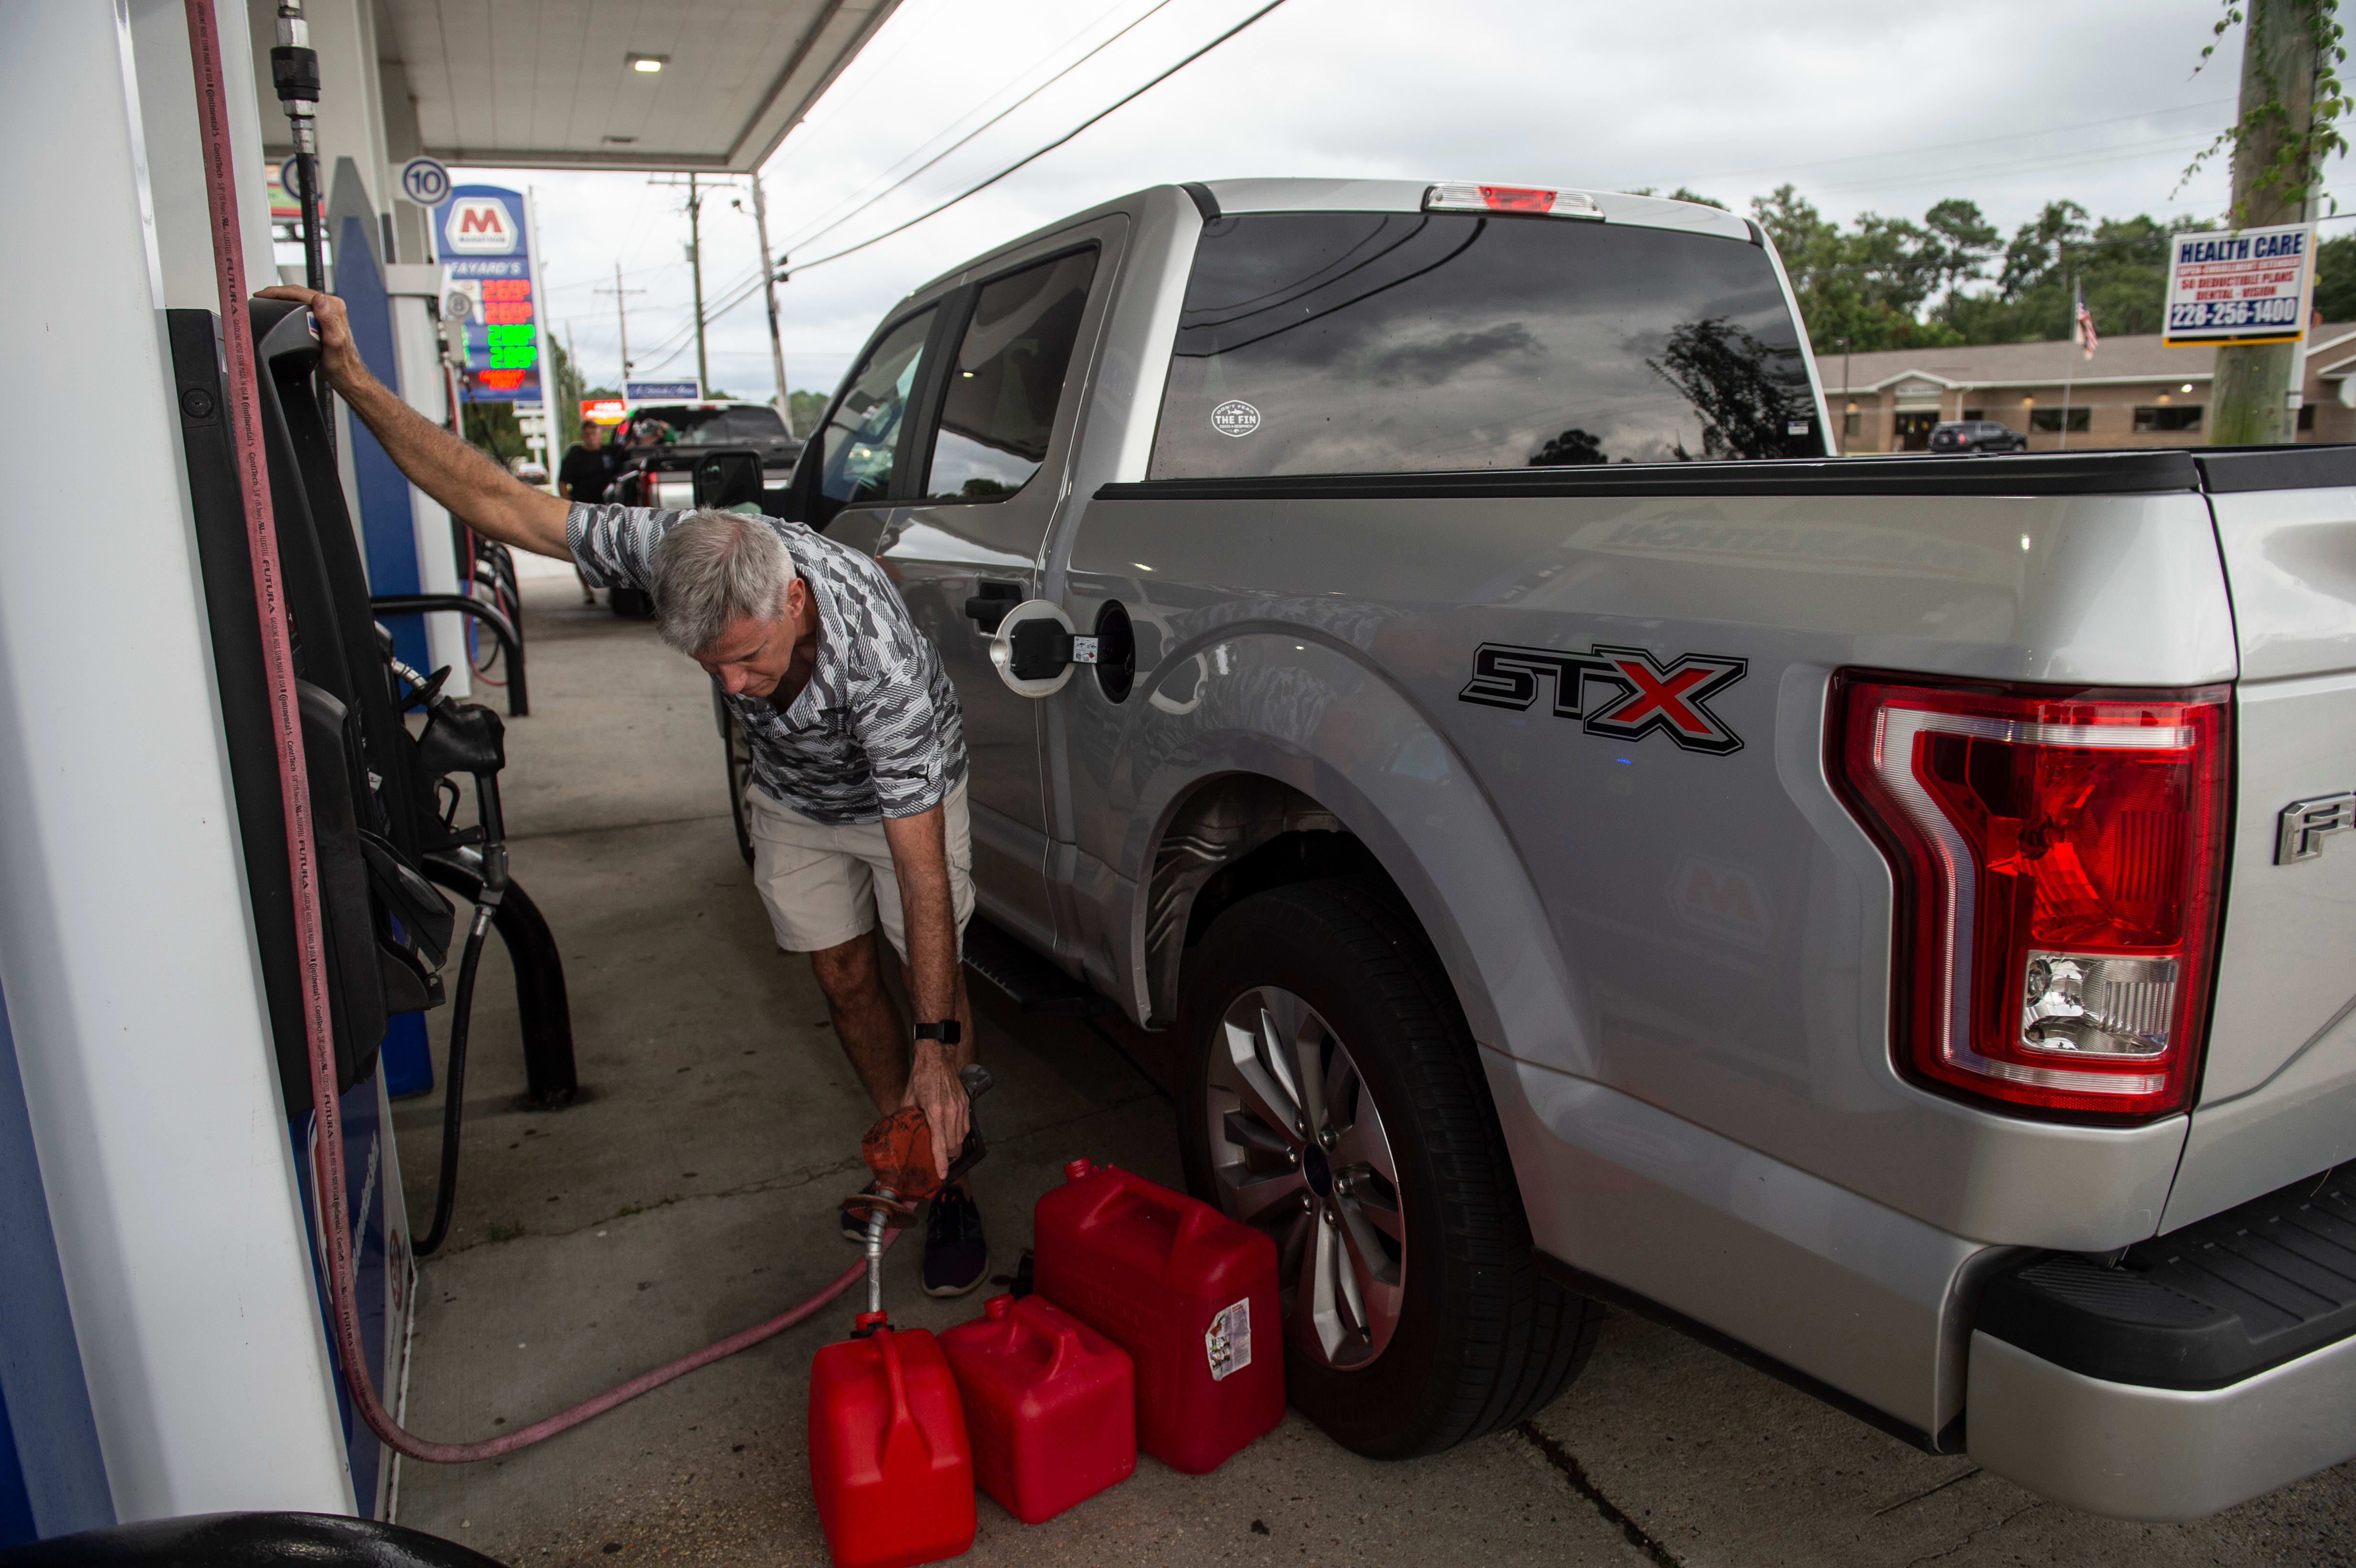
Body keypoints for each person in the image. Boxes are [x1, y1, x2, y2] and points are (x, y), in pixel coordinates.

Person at [264, 284, 990, 1296]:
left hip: (900, 799)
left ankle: (951, 1159)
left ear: (792, 600)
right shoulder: (678, 550)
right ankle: (907, 1148)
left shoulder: (880, 663)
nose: (731, 690)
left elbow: (919, 874)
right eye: (708, 667)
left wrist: (933, 1048)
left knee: (928, 977)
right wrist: (351, 378)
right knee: (840, 975)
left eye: (747, 660)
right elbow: (501, 503)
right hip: (795, 795)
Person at [557, 419, 618, 605]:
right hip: (582, 511)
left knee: (610, 551)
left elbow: (636, 447)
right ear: (583, 436)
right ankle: (587, 590)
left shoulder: (610, 453)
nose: (591, 437)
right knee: (580, 551)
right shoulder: (575, 456)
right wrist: (567, 505)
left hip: (607, 511)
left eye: (594, 433)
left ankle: (613, 590)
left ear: (600, 434)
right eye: (587, 434)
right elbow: (562, 483)